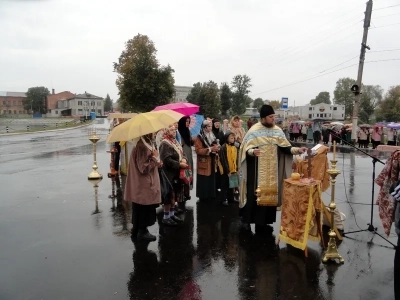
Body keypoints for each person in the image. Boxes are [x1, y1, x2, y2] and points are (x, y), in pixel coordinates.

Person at [238, 105, 307, 233]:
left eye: (274, 117)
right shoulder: (254, 130)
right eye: (271, 117)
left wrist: (298, 150)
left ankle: (263, 222)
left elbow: (285, 147)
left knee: (270, 195)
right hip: (256, 170)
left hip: (272, 172)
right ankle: (246, 220)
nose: (273, 119)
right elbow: (244, 149)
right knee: (253, 195)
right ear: (263, 118)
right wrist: (253, 151)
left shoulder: (277, 130)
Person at [124, 133, 162, 242]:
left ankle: (136, 230)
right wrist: (154, 159)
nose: (155, 133)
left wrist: (156, 163)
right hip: (143, 184)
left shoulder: (145, 143)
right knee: (143, 207)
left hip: (142, 183)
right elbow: (143, 168)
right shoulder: (141, 146)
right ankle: (142, 231)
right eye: (154, 132)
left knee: (139, 206)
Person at [159, 125, 188, 225]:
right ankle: (166, 217)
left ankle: (171, 214)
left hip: (176, 173)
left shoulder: (175, 141)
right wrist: (179, 164)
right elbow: (166, 160)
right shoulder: (164, 143)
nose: (174, 131)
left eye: (174, 129)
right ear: (166, 132)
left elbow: (182, 153)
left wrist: (184, 159)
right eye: (171, 130)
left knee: (174, 194)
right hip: (168, 173)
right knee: (168, 194)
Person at [195, 120, 220, 202]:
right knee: (204, 179)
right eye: (208, 126)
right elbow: (198, 150)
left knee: (211, 178)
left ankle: (211, 195)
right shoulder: (199, 137)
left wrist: (216, 149)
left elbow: (215, 145)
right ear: (204, 127)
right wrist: (209, 149)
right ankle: (203, 197)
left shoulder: (212, 135)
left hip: (212, 160)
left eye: (211, 126)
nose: (210, 128)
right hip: (203, 162)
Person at [218, 131, 239, 206]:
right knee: (224, 185)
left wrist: (236, 169)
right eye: (231, 138)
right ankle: (223, 199)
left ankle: (231, 198)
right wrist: (227, 171)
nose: (233, 139)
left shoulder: (235, 147)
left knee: (231, 185)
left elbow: (236, 159)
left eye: (233, 138)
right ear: (227, 138)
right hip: (225, 170)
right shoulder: (223, 147)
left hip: (233, 169)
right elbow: (223, 160)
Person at [178, 116, 194, 199]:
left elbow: (190, 143)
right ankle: (183, 193)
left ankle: (187, 192)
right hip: (183, 154)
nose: (188, 123)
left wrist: (192, 140)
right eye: (186, 121)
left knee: (188, 172)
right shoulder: (179, 132)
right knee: (183, 172)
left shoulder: (188, 131)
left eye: (189, 121)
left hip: (189, 153)